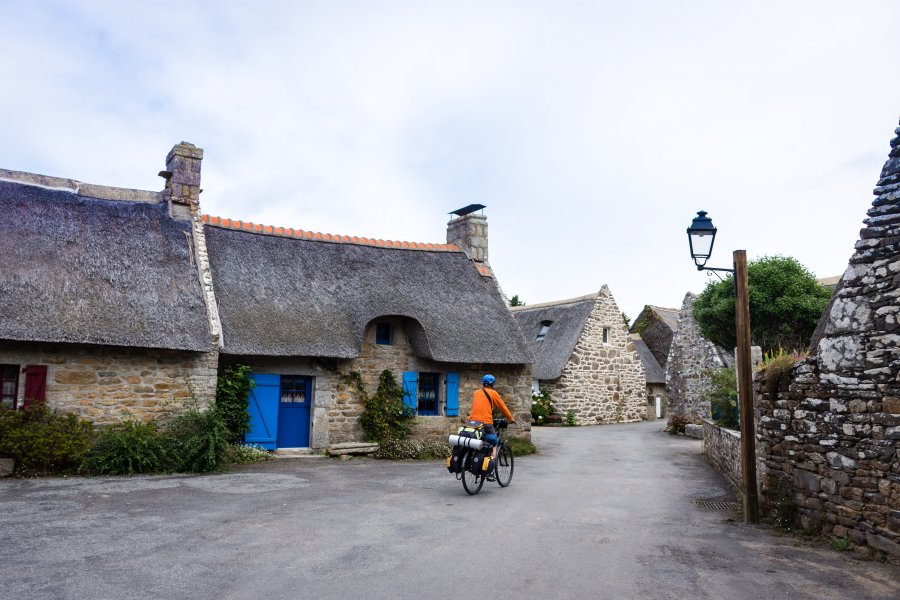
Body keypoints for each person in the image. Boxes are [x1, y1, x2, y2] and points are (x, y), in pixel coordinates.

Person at [466, 374, 515, 462]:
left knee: (477, 440)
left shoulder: (476, 393)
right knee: (494, 443)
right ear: (492, 384)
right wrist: (510, 419)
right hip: (485, 423)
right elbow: (503, 407)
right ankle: (490, 469)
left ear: (483, 383)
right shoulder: (493, 393)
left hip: (471, 422)